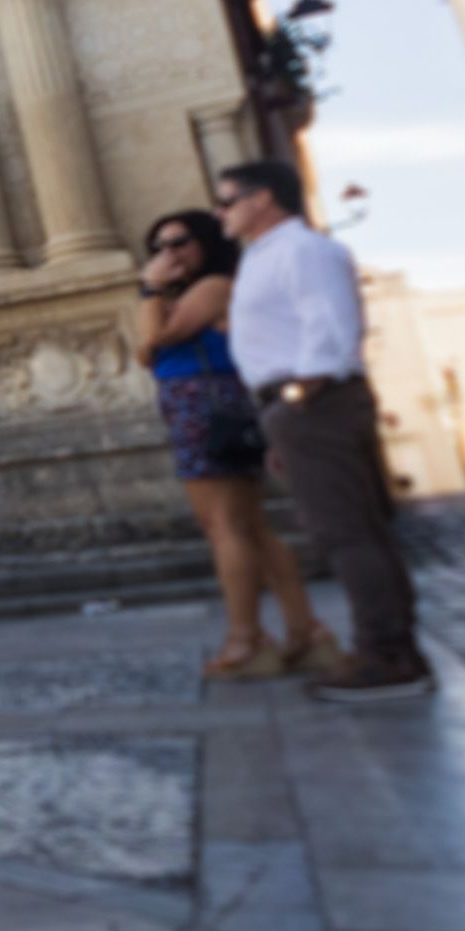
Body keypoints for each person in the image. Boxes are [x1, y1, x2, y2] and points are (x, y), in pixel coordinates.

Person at [217, 160, 430, 701]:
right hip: (301, 408)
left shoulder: (303, 250)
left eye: (228, 200)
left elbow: (329, 329)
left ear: (262, 199)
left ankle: (385, 657)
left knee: (346, 532)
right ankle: (395, 651)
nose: (221, 212)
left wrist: (294, 403)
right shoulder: (268, 256)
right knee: (352, 528)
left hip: (315, 401)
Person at [132, 210, 326, 679]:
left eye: (179, 242)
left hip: (203, 402)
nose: (168, 255)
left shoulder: (215, 285)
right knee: (248, 526)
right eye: (158, 247)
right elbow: (149, 348)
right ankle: (305, 633)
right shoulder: (196, 291)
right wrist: (157, 295)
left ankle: (248, 640)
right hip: (205, 401)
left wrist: (149, 288)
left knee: (223, 526)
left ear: (206, 243)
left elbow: (152, 342)